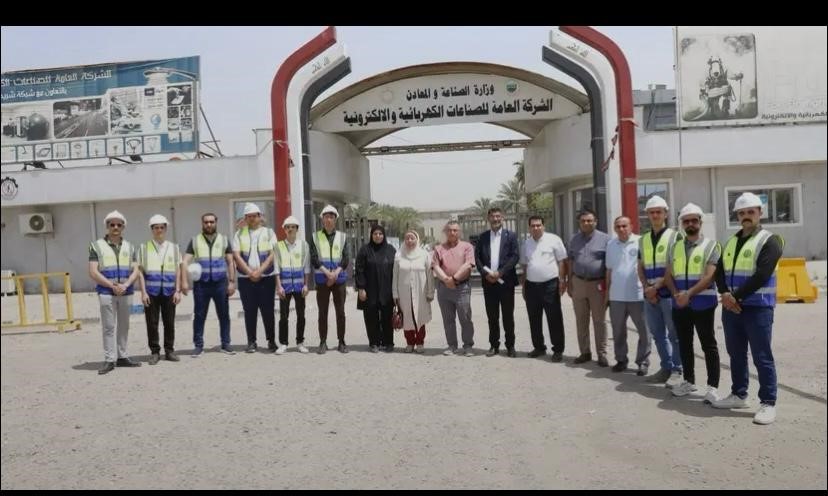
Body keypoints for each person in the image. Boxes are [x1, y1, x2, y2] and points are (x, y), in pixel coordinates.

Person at [712, 192, 785, 425]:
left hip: (757, 308)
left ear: (760, 213)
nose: (746, 216)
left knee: (762, 356)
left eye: (750, 212)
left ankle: (768, 402)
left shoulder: (770, 240)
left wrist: (733, 297)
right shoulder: (731, 241)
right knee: (736, 354)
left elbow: (762, 275)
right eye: (741, 213)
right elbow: (719, 272)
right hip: (732, 309)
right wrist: (725, 293)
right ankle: (738, 394)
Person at [663, 203, 721, 403]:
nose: (690, 224)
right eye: (686, 221)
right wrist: (675, 294)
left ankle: (712, 387)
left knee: (708, 345)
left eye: (694, 220)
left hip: (703, 304)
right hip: (680, 304)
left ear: (700, 222)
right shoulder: (675, 247)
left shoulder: (711, 246)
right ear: (682, 224)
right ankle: (689, 381)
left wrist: (689, 293)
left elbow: (710, 276)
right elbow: (668, 275)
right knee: (685, 344)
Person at [638, 195, 684, 387]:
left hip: (668, 294)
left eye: (658, 212)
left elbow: (673, 265)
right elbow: (640, 265)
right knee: (657, 334)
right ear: (647, 215)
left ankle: (677, 370)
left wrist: (656, 287)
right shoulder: (643, 239)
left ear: (665, 213)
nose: (655, 215)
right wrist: (646, 287)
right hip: (650, 295)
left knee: (674, 335)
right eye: (652, 212)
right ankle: (666, 367)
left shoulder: (675, 236)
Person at [88, 210, 141, 375]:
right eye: (112, 224)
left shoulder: (130, 246)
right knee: (109, 327)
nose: (115, 227)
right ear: (107, 226)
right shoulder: (96, 246)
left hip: (126, 291)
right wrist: (112, 286)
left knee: (124, 326)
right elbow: (93, 271)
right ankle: (110, 359)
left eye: (119, 224)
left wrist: (125, 285)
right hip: (106, 292)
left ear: (123, 227)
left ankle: (122, 356)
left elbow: (136, 270)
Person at [182, 212, 236, 356]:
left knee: (224, 315)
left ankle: (226, 344)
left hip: (220, 284)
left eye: (211, 222)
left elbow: (230, 262)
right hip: (201, 285)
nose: (209, 224)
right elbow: (184, 261)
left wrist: (231, 282)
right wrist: (184, 281)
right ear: (202, 223)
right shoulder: (195, 241)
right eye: (206, 222)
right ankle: (198, 346)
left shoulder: (224, 240)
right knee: (199, 316)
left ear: (216, 222)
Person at [605, 216, 650, 375]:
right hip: (616, 295)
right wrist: (607, 293)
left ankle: (643, 362)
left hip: (637, 295)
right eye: (618, 226)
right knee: (618, 331)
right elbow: (609, 270)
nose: (621, 229)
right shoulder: (611, 244)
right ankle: (621, 360)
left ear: (631, 226)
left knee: (644, 331)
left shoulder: (641, 241)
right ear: (614, 228)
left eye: (624, 226)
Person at [520, 215, 568, 361]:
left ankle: (558, 349)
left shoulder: (554, 240)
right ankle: (539, 347)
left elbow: (562, 261)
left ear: (543, 226)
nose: (536, 228)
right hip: (531, 286)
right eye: (533, 226)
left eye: (538, 225)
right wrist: (524, 285)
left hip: (550, 285)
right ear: (529, 228)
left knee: (554, 318)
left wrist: (562, 280)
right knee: (534, 319)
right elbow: (525, 266)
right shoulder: (526, 244)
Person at [566, 209, 610, 366]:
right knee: (581, 320)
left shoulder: (606, 239)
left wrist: (608, 288)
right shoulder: (574, 239)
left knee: (599, 321)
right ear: (579, 223)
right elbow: (570, 261)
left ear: (595, 222)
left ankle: (602, 354)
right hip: (578, 282)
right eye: (583, 221)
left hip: (597, 284)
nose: (586, 223)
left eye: (589, 220)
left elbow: (609, 266)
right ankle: (585, 352)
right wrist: (569, 282)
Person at [137, 214, 183, 365]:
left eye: (161, 227)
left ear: (165, 229)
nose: (159, 230)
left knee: (169, 323)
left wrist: (178, 290)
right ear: (152, 230)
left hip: (170, 292)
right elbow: (140, 272)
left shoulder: (174, 248)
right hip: (151, 292)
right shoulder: (143, 248)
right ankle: (155, 352)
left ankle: (169, 351)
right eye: (156, 228)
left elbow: (178, 270)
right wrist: (143, 292)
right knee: (152, 323)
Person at [232, 202, 278, 353]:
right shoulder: (239, 234)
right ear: (245, 218)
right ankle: (251, 342)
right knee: (249, 311)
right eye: (249, 216)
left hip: (267, 277)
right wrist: (250, 272)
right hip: (245, 279)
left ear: (260, 216)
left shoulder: (269, 233)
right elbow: (236, 255)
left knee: (268, 311)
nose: (252, 219)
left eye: (254, 216)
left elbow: (273, 254)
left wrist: (260, 271)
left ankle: (271, 341)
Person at [474, 207, 520, 357]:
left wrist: (501, 272)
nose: (495, 219)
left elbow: (515, 256)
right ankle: (494, 345)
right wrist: (485, 274)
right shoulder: (482, 237)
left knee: (508, 316)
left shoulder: (511, 236)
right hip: (489, 283)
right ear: (488, 218)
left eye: (498, 216)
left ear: (503, 218)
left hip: (506, 283)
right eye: (493, 216)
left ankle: (510, 346)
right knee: (492, 317)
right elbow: (477, 258)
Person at [309, 204, 350, 354]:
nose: (328, 219)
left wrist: (335, 273)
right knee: (322, 312)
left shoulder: (343, 237)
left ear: (335, 219)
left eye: (331, 217)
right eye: (326, 217)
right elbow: (314, 258)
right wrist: (328, 273)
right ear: (322, 219)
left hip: (339, 280)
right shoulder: (315, 237)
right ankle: (323, 342)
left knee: (341, 312)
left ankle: (341, 341)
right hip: (322, 280)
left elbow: (346, 258)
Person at [432, 220, 476, 357]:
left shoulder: (467, 247)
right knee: (448, 319)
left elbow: (468, 264)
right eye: (449, 230)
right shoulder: (438, 248)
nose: (452, 233)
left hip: (462, 288)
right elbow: (435, 266)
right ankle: (452, 345)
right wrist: (446, 279)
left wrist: (454, 279)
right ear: (445, 232)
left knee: (465, 318)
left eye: (455, 230)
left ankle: (468, 345)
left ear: (459, 232)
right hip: (444, 288)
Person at [355, 224, 397, 353]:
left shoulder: (391, 250)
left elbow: (396, 270)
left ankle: (388, 342)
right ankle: (374, 343)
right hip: (369, 290)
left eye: (380, 234)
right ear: (371, 235)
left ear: (384, 235)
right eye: (375, 234)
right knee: (371, 317)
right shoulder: (365, 250)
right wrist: (361, 288)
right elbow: (359, 270)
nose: (378, 236)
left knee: (387, 316)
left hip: (387, 290)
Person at [393, 229, 435, 353]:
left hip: (421, 293)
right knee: (407, 318)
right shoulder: (398, 255)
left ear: (417, 240)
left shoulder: (424, 255)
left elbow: (430, 275)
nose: (410, 241)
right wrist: (395, 294)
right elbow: (395, 276)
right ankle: (410, 343)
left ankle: (420, 342)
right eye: (407, 238)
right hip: (403, 294)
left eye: (412, 238)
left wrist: (430, 292)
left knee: (420, 317)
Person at [275, 215, 311, 354]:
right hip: (284, 287)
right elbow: (276, 268)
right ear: (284, 229)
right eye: (287, 227)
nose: (290, 229)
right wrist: (279, 286)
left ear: (297, 229)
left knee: (301, 315)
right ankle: (283, 343)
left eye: (293, 227)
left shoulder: (303, 245)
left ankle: (300, 342)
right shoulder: (278, 246)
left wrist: (306, 285)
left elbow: (306, 267)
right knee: (284, 316)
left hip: (299, 287)